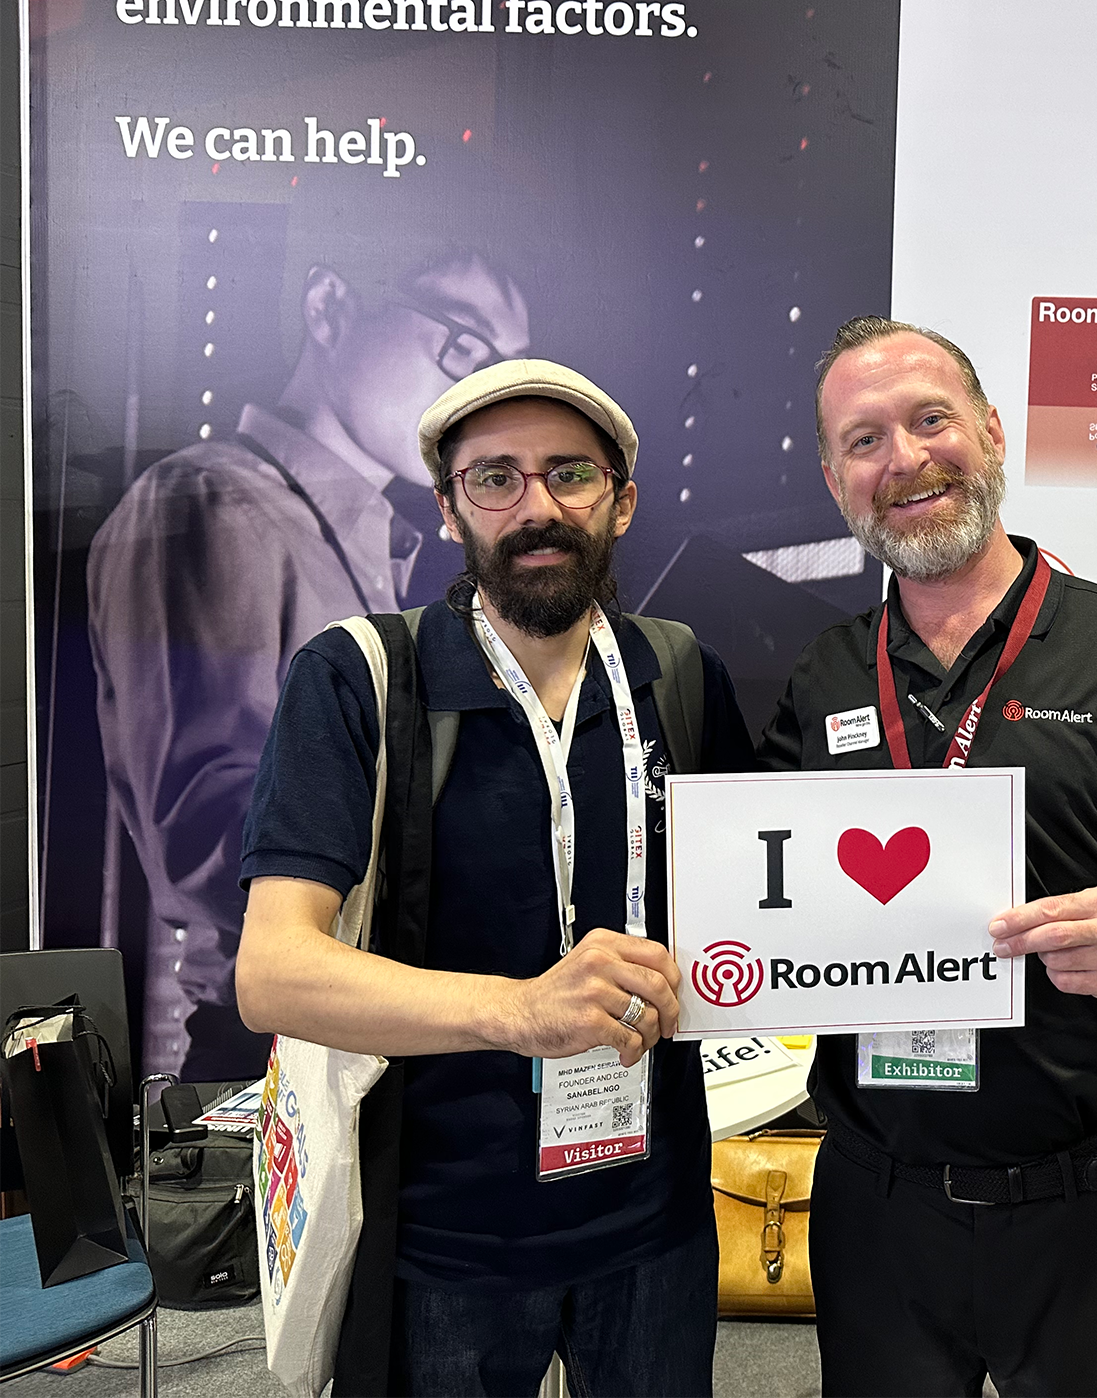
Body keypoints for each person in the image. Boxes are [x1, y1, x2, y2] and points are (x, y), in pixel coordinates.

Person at [758, 316, 1097, 1398]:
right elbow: (767, 890)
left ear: (992, 433)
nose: (903, 459)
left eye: (930, 419)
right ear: (833, 479)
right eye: (864, 441)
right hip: (876, 1203)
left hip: (1086, 1207)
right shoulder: (822, 675)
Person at [235, 360, 751, 1397]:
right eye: (495, 478)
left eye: (571, 474)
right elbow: (273, 973)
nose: (537, 507)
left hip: (653, 1228)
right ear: (448, 506)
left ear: (621, 501)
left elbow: (761, 910)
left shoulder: (681, 675)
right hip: (443, 1248)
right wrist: (522, 1011)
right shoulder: (361, 678)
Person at [87, 240, 531, 1081]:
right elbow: (209, 834)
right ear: (330, 308)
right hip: (277, 1046)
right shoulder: (214, 501)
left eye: (502, 371)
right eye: (465, 344)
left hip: (377, 1030)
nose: (481, 394)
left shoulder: (375, 545)